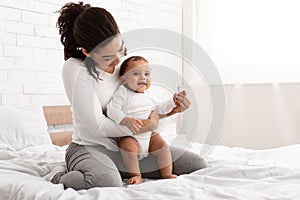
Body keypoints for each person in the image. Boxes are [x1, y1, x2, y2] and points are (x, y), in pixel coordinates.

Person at [45, 1, 207, 190]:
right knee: (105, 182)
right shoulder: (75, 69)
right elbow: (97, 126)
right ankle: (58, 175)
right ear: (87, 52)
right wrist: (148, 124)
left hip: (129, 148)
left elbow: (141, 110)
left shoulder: (122, 67)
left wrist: (168, 112)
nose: (117, 61)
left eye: (120, 49)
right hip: (90, 148)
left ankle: (116, 169)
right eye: (107, 57)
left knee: (195, 164)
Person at [107, 56, 181, 184]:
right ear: (123, 80)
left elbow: (159, 109)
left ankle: (167, 173)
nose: (143, 77)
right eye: (136, 73)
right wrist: (125, 120)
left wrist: (172, 102)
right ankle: (136, 175)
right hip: (131, 136)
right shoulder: (123, 92)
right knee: (127, 148)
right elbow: (112, 109)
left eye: (147, 74)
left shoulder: (148, 96)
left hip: (149, 136)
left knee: (163, 147)